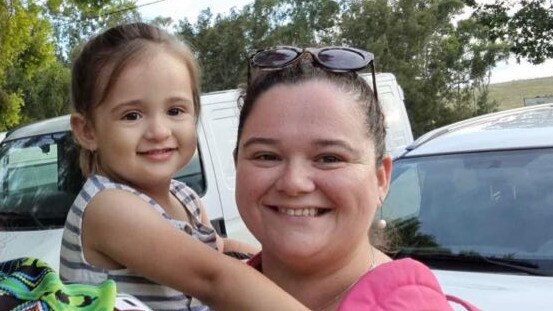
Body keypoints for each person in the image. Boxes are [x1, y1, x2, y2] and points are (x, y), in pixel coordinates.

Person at [59, 23, 309, 311]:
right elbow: (213, 277)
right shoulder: (108, 207)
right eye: (132, 115)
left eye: (175, 111)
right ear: (87, 130)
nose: (159, 131)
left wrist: (289, 268)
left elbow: (221, 249)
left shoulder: (184, 197)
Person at [233, 46, 479, 311]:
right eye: (266, 156)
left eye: (329, 158)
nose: (294, 183)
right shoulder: (207, 295)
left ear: (381, 178)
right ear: (237, 164)